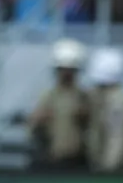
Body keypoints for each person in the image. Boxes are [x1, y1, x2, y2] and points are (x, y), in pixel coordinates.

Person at [29, 39, 88, 170]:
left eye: (70, 70)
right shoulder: (47, 97)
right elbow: (31, 129)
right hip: (52, 160)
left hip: (78, 161)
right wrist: (39, 121)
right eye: (63, 69)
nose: (66, 74)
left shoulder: (85, 97)